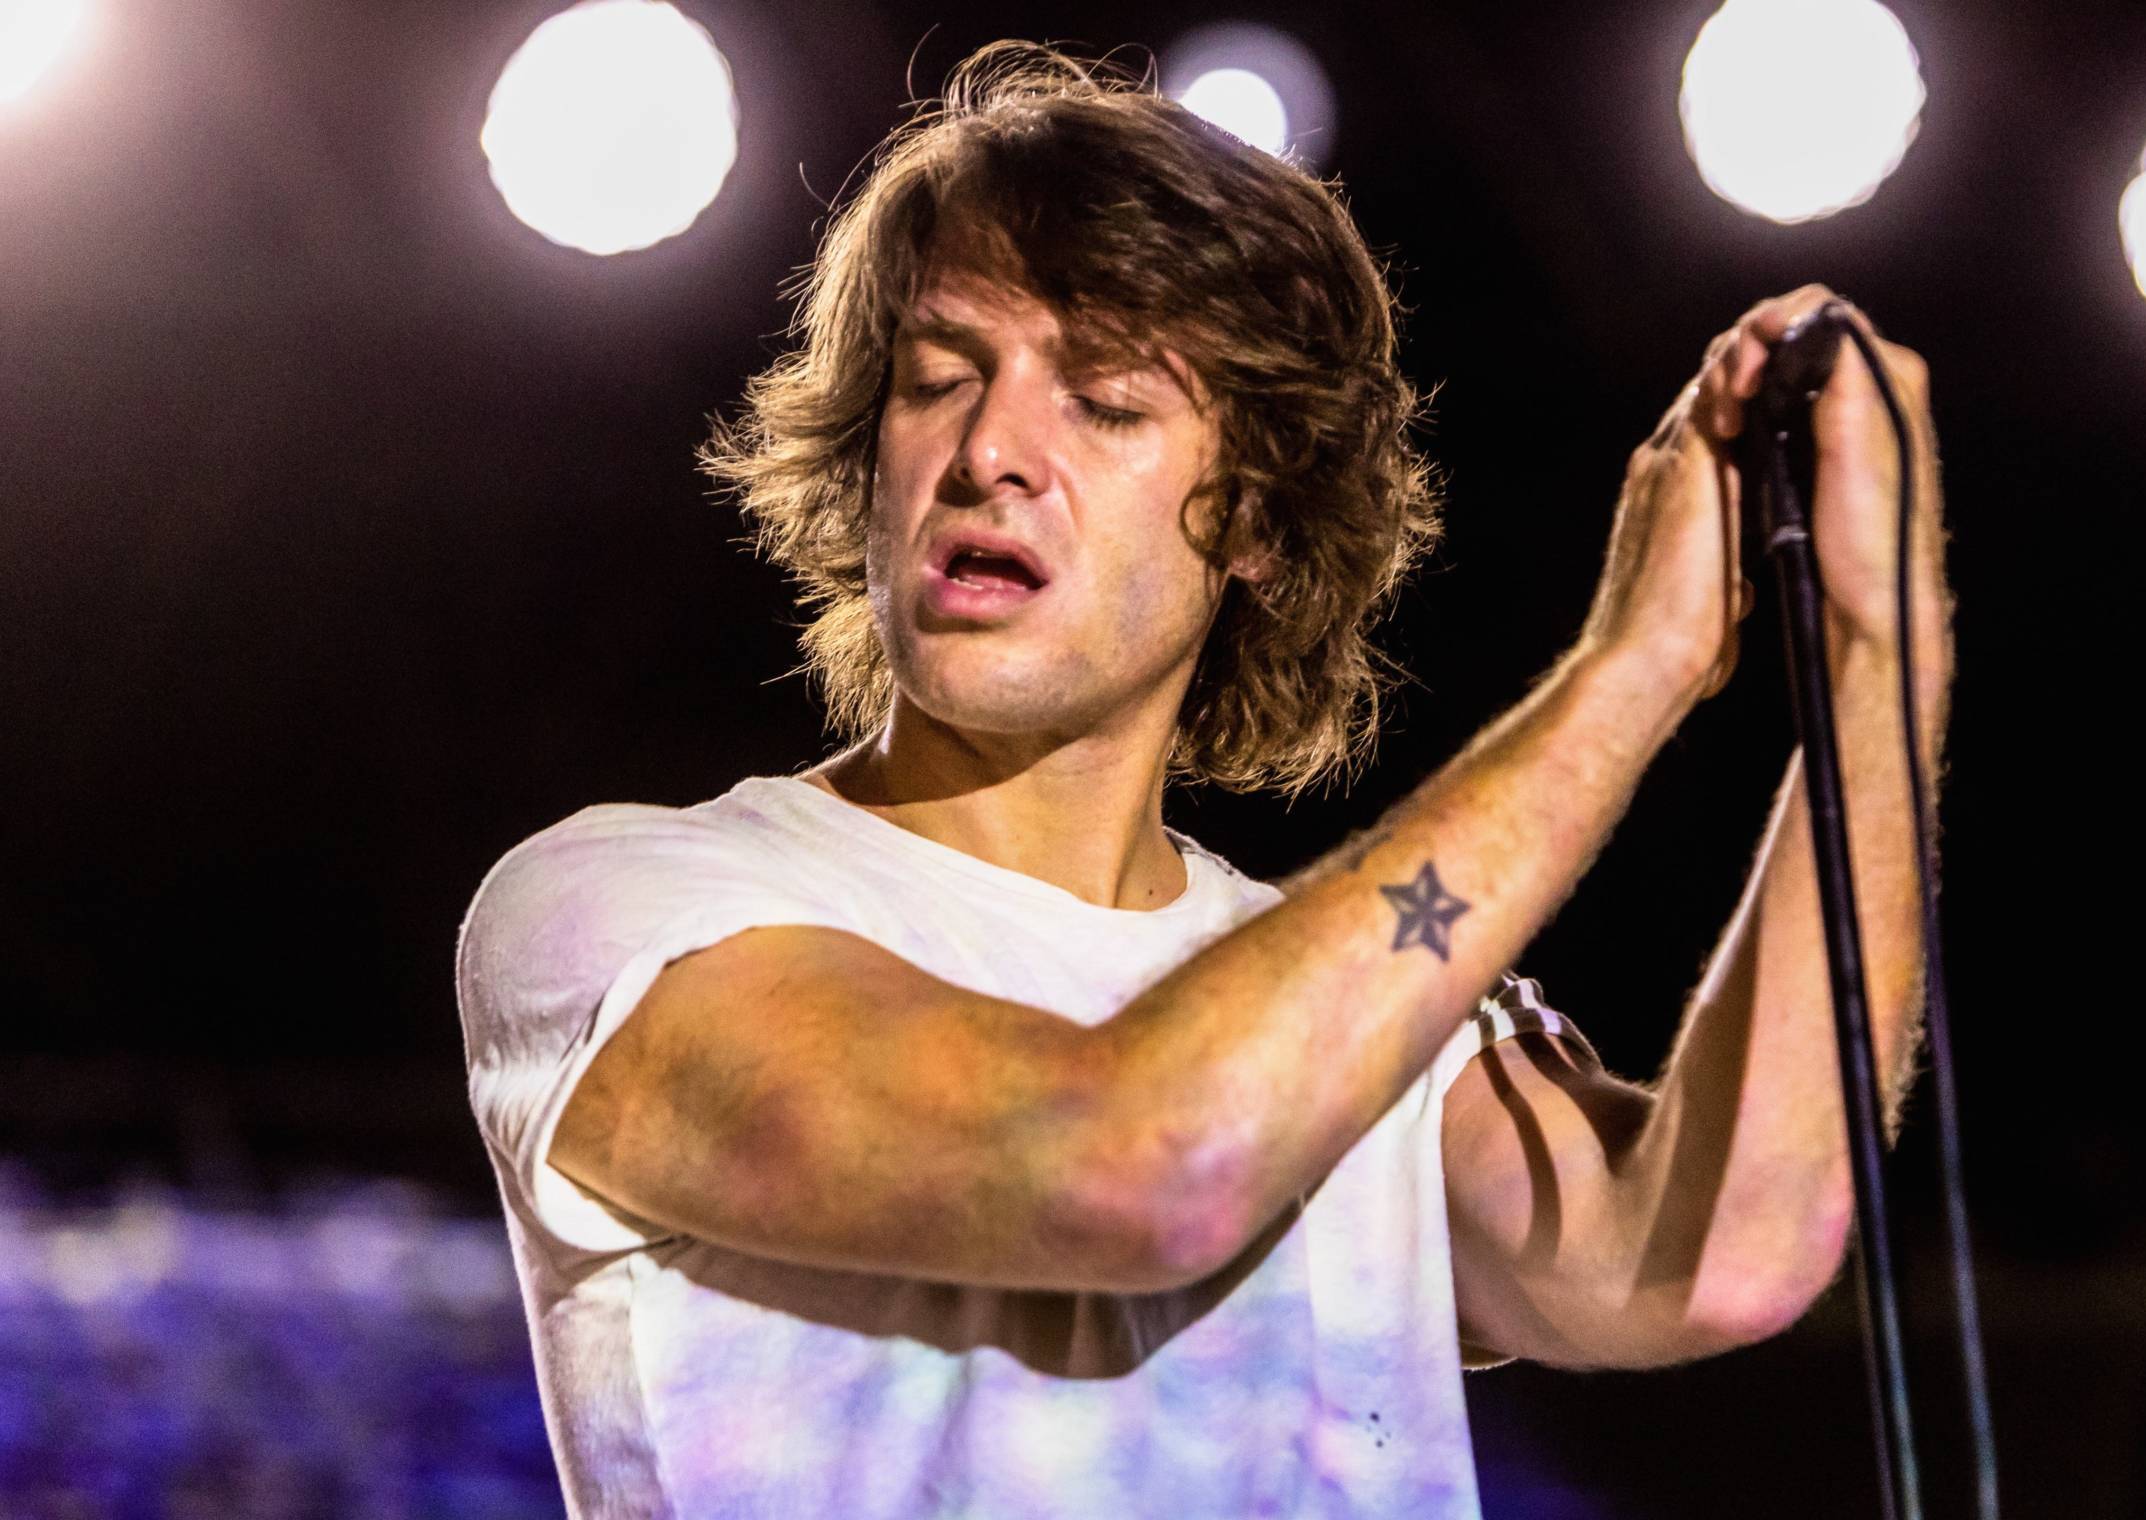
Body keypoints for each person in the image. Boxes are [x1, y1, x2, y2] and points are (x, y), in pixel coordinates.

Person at [456, 41, 1950, 1520]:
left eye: (1103, 405)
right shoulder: (621, 908)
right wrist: (1632, 671)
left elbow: (1719, 1251)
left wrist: (1889, 656)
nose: (987, 453)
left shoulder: (1338, 1010)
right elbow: (1145, 1163)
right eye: (936, 380)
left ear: (1254, 523)